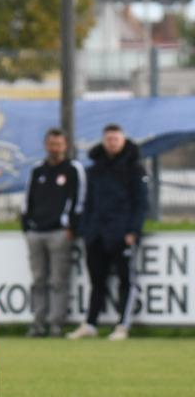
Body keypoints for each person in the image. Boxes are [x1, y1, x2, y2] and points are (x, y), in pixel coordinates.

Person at [67, 123, 149, 341]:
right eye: (109, 139)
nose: (112, 143)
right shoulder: (95, 169)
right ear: (104, 141)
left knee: (125, 280)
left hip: (122, 234)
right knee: (97, 281)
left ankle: (122, 325)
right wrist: (85, 229)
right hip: (96, 233)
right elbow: (86, 201)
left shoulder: (135, 168)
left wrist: (134, 230)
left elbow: (142, 203)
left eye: (116, 139)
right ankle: (90, 323)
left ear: (123, 141)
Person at [21, 128, 86, 338]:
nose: (55, 148)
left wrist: (71, 228)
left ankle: (56, 324)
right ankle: (38, 323)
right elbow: (27, 199)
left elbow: (79, 200)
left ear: (65, 146)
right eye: (51, 144)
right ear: (46, 145)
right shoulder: (37, 170)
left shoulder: (73, 169)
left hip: (60, 233)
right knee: (38, 280)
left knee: (59, 281)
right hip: (36, 232)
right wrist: (27, 226)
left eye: (59, 144)